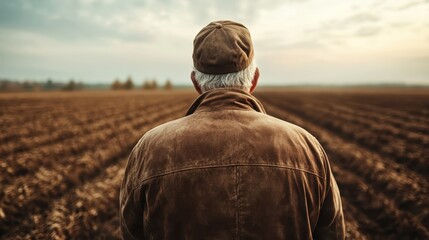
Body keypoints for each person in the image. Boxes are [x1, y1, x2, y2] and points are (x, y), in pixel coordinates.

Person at [120, 20, 345, 239]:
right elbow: (333, 234)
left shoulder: (150, 149)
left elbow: (131, 231)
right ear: (254, 79)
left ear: (196, 82)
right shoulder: (306, 147)